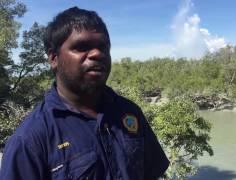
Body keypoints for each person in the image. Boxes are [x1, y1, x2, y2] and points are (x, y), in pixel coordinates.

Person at [0, 7, 169, 180]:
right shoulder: (30, 141)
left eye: (103, 47)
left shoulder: (129, 112)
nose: (97, 54)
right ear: (53, 58)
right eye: (81, 47)